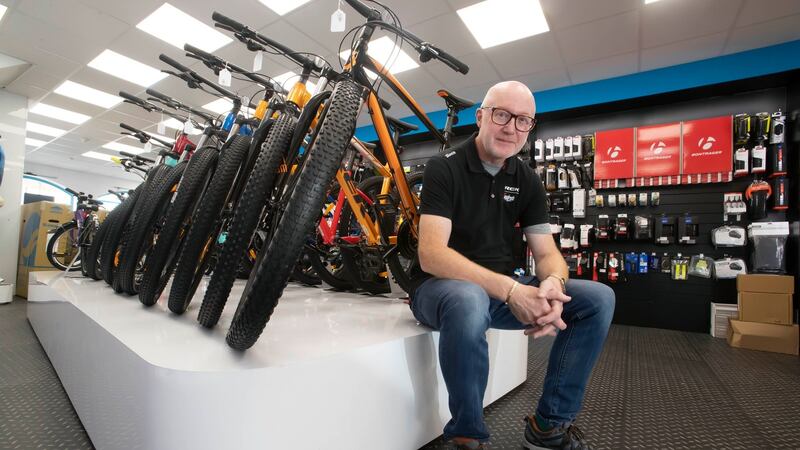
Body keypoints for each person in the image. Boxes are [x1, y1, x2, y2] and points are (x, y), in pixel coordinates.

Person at [410, 81, 615, 449]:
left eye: (523, 121)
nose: (511, 128)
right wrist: (512, 290)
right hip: (438, 289)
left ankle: (548, 427)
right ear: (481, 117)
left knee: (598, 298)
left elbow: (548, 253)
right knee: (469, 298)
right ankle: (466, 435)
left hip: (504, 291)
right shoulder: (444, 168)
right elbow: (432, 254)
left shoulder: (527, 179)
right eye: (502, 115)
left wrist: (554, 282)